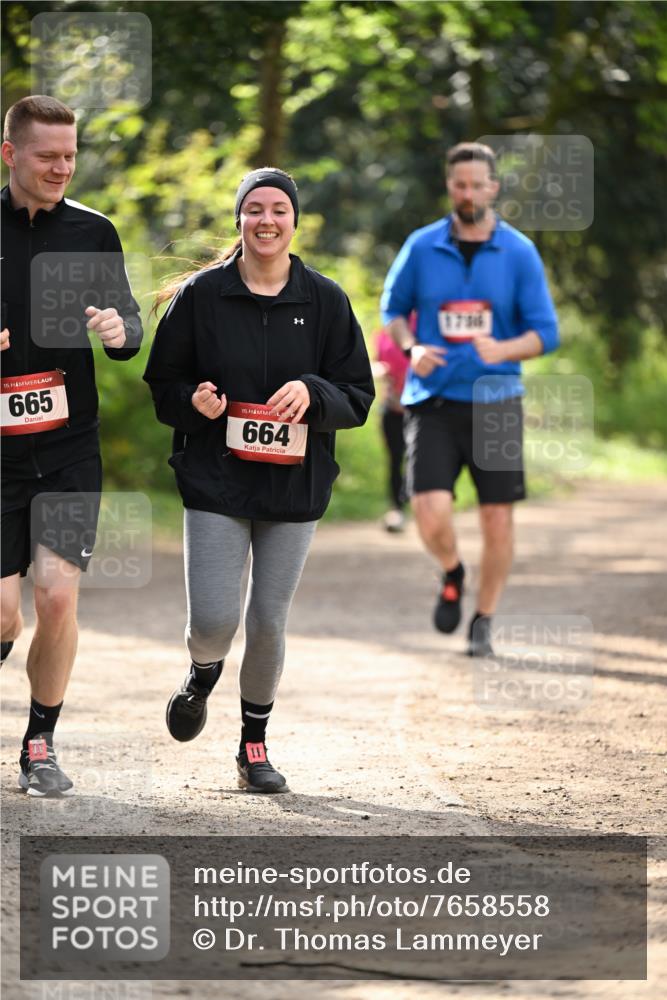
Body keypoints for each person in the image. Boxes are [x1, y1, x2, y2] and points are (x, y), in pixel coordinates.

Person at [143, 167, 374, 793]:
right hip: (216, 478)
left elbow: (359, 395)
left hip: (294, 488)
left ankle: (253, 746)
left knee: (269, 621)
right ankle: (201, 672)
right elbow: (162, 386)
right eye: (254, 210)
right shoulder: (202, 295)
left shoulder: (325, 299)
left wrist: (314, 392)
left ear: (294, 222)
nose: (266, 220)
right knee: (216, 621)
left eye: (279, 209)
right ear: (239, 219)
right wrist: (196, 402)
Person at [0, 96, 143, 796]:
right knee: (2, 612)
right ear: (10, 155)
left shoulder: (93, 231)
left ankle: (39, 746)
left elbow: (131, 323)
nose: (62, 168)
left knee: (57, 597)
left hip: (65, 446)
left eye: (70, 156)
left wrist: (122, 332)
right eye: (48, 156)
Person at [381, 142, 559, 656]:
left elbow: (545, 333)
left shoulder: (519, 252)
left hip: (497, 400)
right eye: (459, 184)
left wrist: (502, 346)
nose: (467, 193)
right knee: (429, 511)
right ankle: (453, 571)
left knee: (497, 517)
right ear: (450, 187)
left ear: (492, 188)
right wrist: (411, 348)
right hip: (433, 399)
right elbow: (393, 309)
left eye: (477, 184)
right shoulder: (421, 246)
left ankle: (484, 619)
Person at [373, 324, 410, 532]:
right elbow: (377, 363)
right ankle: (397, 508)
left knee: (419, 459)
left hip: (421, 408)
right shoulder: (383, 333)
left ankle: (421, 504)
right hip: (392, 406)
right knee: (395, 459)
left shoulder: (424, 325)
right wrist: (379, 369)